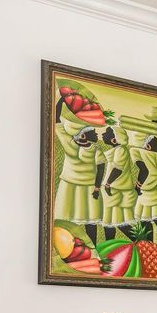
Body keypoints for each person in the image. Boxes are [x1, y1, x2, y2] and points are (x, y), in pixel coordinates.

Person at [53, 96, 104, 245]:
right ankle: (67, 246)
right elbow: (56, 122)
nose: (96, 134)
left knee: (89, 221)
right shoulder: (91, 148)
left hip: (82, 187)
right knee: (75, 220)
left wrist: (61, 101)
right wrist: (62, 100)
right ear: (83, 134)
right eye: (93, 132)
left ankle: (93, 247)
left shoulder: (72, 143)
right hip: (77, 186)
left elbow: (56, 121)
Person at [96, 126, 139, 241]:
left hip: (115, 189)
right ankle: (110, 245)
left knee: (115, 221)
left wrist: (108, 183)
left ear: (114, 140)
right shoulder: (118, 150)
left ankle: (140, 242)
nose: (103, 135)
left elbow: (118, 168)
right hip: (114, 189)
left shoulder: (121, 150)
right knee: (111, 221)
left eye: (106, 133)